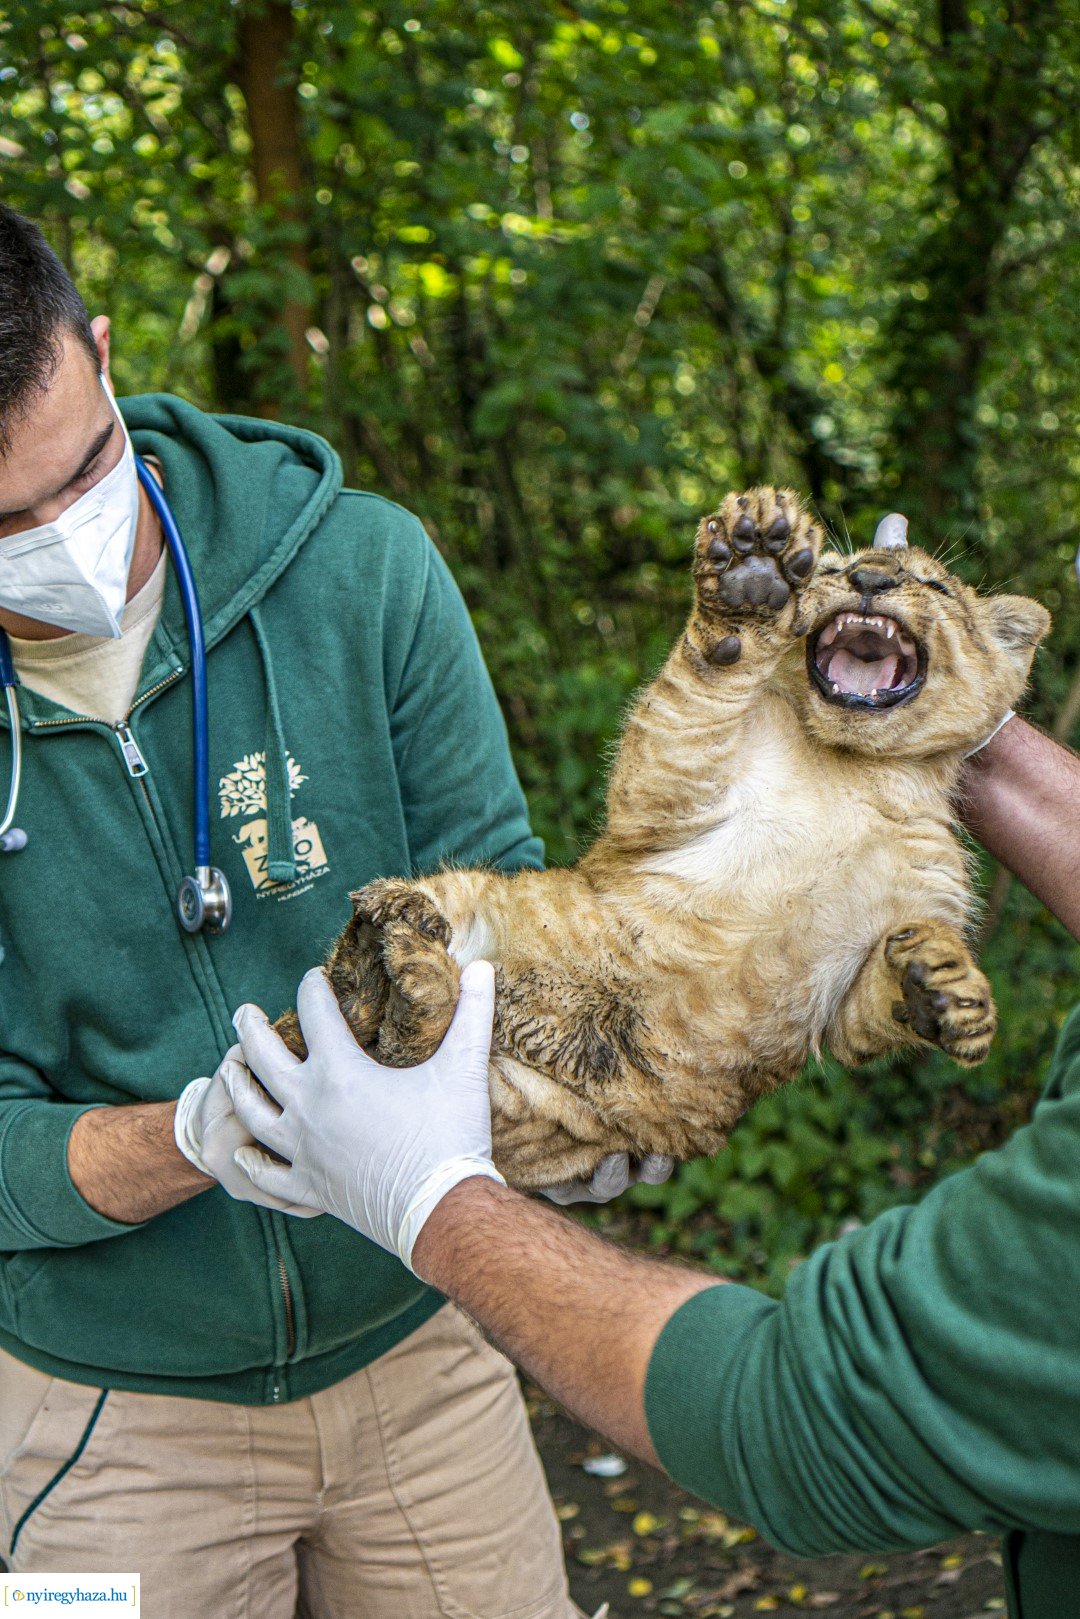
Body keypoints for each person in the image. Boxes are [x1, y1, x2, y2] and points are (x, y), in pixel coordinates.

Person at [0, 202, 661, 1616]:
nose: (63, 541)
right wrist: (195, 1137)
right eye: (4, 526)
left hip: (418, 1334)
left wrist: (560, 1109)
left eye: (86, 473)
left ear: (102, 353)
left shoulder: (359, 569)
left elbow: (497, 907)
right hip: (98, 1408)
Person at [224, 713, 1080, 1619]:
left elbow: (800, 1413)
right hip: (141, 1410)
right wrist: (941, 702)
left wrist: (431, 1199)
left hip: (419, 1367)